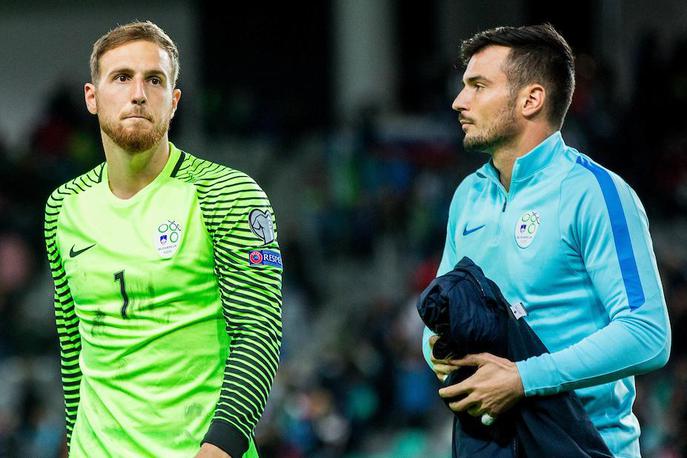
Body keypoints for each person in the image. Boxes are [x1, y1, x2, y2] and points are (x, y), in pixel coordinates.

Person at [422, 23, 670, 457]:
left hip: (587, 444)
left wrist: (523, 378)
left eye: (478, 86)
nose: (459, 101)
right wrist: (440, 352)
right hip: (492, 446)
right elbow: (438, 323)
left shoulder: (593, 192)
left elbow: (648, 333)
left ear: (531, 99)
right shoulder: (467, 197)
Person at [44, 21, 282, 458]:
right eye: (121, 77)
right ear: (91, 98)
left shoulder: (226, 193)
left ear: (173, 102)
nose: (138, 94)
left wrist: (220, 447)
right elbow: (74, 343)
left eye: (154, 80)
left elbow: (259, 332)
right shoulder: (63, 206)